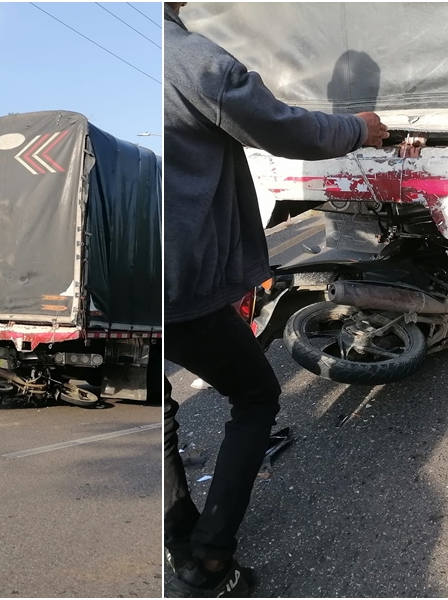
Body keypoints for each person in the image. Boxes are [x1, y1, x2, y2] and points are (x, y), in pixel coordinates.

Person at [162, 3, 390, 597]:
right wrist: (360, 127)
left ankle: (176, 531)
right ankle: (209, 560)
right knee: (255, 394)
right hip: (177, 280)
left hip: (106, 284)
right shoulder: (188, 58)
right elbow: (287, 129)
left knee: (153, 409)